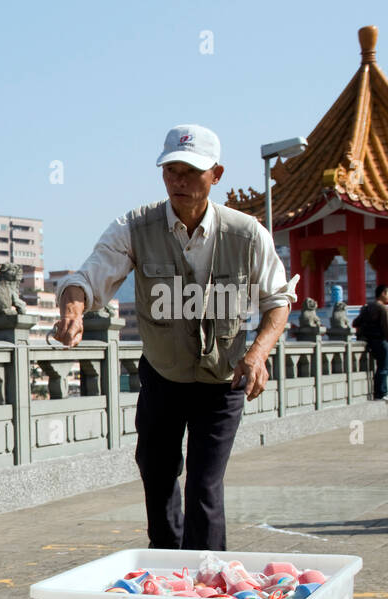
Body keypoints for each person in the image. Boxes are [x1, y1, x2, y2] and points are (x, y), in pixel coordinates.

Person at [53, 124, 296, 551]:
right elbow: (86, 277)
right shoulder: (134, 227)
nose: (178, 181)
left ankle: (206, 582)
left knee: (204, 485)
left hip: (223, 381)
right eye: (170, 171)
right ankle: (167, 573)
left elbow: (279, 299)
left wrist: (257, 353)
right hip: (163, 377)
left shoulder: (247, 233)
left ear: (216, 174)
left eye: (190, 171)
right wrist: (72, 311)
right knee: (157, 472)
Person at [354, 284, 388, 399]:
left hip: (369, 341)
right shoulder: (382, 308)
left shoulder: (367, 307)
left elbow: (356, 322)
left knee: (379, 368)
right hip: (380, 341)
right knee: (384, 367)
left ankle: (378, 393)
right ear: (383, 294)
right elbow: (386, 328)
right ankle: (382, 393)